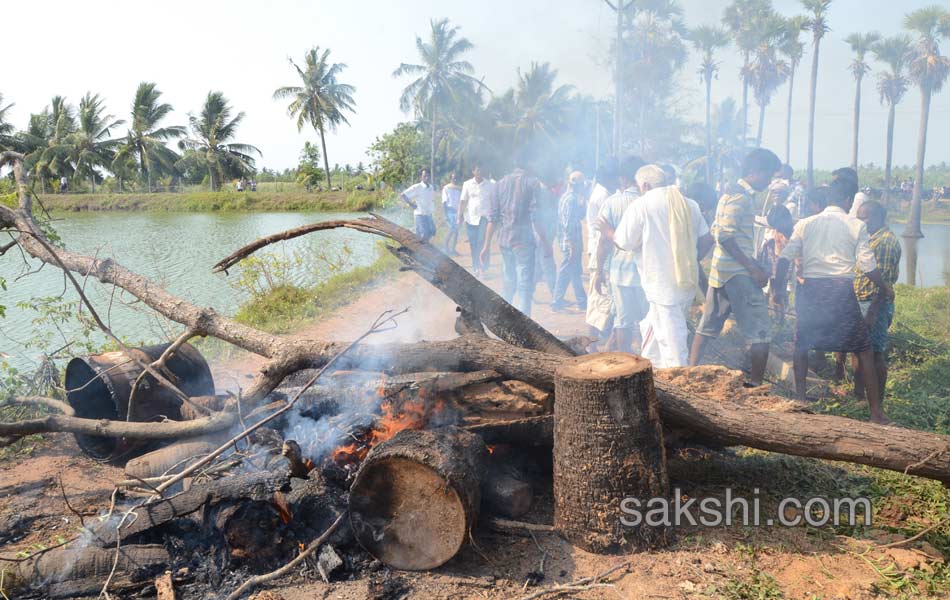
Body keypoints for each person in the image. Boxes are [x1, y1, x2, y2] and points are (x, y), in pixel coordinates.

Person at [772, 169, 892, 423]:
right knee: (864, 349)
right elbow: (867, 264)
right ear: (848, 200)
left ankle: (801, 400)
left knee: (802, 344)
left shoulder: (805, 223)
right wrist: (884, 287)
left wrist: (778, 289)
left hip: (811, 292)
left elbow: (784, 259)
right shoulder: (856, 225)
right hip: (840, 292)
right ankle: (876, 413)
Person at [599, 165, 712, 368]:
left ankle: (679, 383)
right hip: (685, 279)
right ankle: (652, 371)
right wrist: (688, 260)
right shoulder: (689, 204)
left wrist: (607, 231)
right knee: (652, 329)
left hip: (661, 284)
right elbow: (706, 239)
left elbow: (623, 242)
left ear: (645, 185)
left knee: (673, 342)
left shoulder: (642, 205)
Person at [689, 149, 781, 386]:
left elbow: (716, 233)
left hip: (722, 272)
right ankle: (757, 386)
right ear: (754, 172)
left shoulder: (730, 194)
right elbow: (726, 237)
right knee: (760, 332)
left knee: (708, 325)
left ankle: (689, 372)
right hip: (738, 274)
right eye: (768, 175)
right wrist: (753, 268)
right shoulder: (740, 198)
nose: (769, 181)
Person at [846, 200, 901, 401]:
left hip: (873, 304)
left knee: (875, 353)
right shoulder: (870, 238)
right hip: (862, 301)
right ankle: (859, 395)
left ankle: (876, 400)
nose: (861, 221)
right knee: (858, 350)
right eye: (859, 217)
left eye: (864, 217)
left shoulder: (885, 242)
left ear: (877, 217)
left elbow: (883, 284)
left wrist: (872, 312)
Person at [593, 155, 648, 352]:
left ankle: (624, 364)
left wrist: (599, 272)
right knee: (646, 322)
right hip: (645, 273)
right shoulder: (648, 201)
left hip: (619, 272)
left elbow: (603, 242)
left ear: (623, 178)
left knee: (622, 321)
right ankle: (647, 363)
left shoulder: (611, 202)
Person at [482, 158, 548, 316]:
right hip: (523, 242)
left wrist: (486, 246)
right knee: (524, 286)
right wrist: (546, 243)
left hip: (504, 241)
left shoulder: (499, 184)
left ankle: (506, 323)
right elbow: (536, 217)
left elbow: (493, 219)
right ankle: (524, 330)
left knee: (508, 283)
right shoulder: (532, 183)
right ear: (529, 164)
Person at [584, 159, 620, 340]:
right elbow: (604, 233)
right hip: (601, 251)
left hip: (599, 250)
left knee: (601, 300)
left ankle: (598, 342)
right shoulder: (604, 196)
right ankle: (592, 343)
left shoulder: (602, 192)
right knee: (599, 299)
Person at [551, 171, 588, 311]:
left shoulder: (570, 197)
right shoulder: (570, 199)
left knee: (572, 272)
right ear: (577, 185)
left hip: (570, 242)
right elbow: (568, 225)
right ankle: (559, 302)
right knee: (568, 271)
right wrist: (572, 246)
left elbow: (579, 216)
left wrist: (583, 199)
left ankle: (579, 301)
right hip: (570, 243)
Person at [458, 164, 494, 277]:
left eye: (481, 169)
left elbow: (494, 201)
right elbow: (463, 201)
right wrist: (459, 216)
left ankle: (483, 268)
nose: (480, 172)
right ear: (473, 171)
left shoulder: (490, 185)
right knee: (473, 244)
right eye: (478, 170)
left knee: (482, 242)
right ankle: (476, 267)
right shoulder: (467, 184)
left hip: (485, 218)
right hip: (471, 219)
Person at [534, 176, 559, 297]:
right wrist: (544, 240)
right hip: (542, 236)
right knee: (549, 266)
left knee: (539, 268)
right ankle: (556, 296)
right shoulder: (542, 193)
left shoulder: (546, 192)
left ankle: (527, 291)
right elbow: (538, 218)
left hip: (544, 235)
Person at [401, 169, 436, 244]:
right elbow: (403, 195)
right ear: (421, 177)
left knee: (433, 231)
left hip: (428, 214)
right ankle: (420, 250)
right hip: (420, 214)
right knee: (424, 234)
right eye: (425, 176)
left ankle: (421, 244)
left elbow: (430, 200)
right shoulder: (417, 187)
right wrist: (411, 204)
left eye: (428, 176)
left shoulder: (431, 187)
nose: (427, 178)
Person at [441, 173, 462, 256]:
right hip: (450, 211)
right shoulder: (446, 188)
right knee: (452, 229)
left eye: (456, 178)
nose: (455, 180)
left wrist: (461, 213)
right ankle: (445, 247)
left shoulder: (459, 189)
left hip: (458, 211)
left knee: (456, 231)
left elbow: (461, 201)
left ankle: (453, 249)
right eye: (453, 178)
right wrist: (445, 215)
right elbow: (444, 202)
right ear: (450, 179)